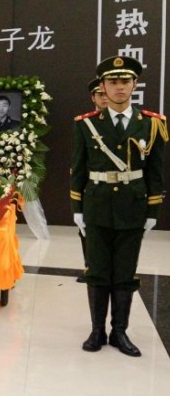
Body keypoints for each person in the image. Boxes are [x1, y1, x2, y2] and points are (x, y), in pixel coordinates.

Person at [72, 56, 167, 357]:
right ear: (102, 86)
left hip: (132, 207)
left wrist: (152, 211)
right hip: (97, 206)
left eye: (125, 81)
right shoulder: (86, 125)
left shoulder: (152, 123)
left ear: (134, 85)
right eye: (112, 82)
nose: (119, 87)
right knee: (98, 270)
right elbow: (78, 168)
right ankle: (97, 330)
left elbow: (155, 171)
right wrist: (77, 208)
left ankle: (120, 332)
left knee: (125, 272)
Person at [74, 78, 109, 283]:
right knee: (88, 231)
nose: (104, 98)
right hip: (93, 188)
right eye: (100, 94)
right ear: (93, 98)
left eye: (106, 93)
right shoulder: (85, 125)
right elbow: (78, 163)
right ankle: (91, 268)